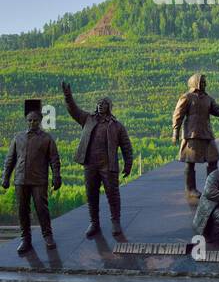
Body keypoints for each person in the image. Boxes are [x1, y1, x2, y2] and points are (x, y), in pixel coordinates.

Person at [61, 82, 133, 237]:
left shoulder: (117, 126)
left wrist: (128, 164)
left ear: (109, 107)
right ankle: (94, 222)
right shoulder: (87, 119)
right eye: (99, 103)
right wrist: (68, 96)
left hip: (108, 164)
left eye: (104, 103)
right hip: (90, 164)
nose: (101, 105)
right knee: (91, 194)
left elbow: (126, 146)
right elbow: (73, 110)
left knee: (112, 194)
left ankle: (115, 221)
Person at [2, 111, 62, 253]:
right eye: (29, 120)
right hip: (21, 180)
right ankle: (25, 239)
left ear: (40, 121)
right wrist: (5, 177)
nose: (32, 123)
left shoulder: (47, 139)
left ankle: (48, 236)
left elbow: (54, 160)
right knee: (22, 210)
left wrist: (56, 176)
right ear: (26, 121)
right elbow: (10, 160)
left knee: (42, 209)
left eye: (35, 120)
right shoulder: (18, 137)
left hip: (39, 180)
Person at [172, 73, 219, 200]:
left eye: (205, 82)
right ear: (195, 83)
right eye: (202, 82)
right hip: (192, 134)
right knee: (190, 162)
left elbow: (217, 110)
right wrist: (175, 132)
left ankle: (211, 187)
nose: (205, 85)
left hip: (206, 133)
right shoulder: (186, 97)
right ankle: (190, 189)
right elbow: (177, 115)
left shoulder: (208, 99)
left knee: (213, 160)